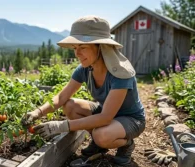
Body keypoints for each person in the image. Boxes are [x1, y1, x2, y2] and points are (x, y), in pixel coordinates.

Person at [21, 15, 146, 166]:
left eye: (83, 47)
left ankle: (126, 144)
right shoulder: (85, 69)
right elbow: (62, 97)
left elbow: (106, 117)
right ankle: (99, 144)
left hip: (131, 119)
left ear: (100, 47)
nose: (77, 53)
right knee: (70, 105)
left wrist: (61, 126)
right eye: (75, 48)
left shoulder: (120, 73)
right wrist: (37, 112)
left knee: (101, 135)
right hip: (105, 111)